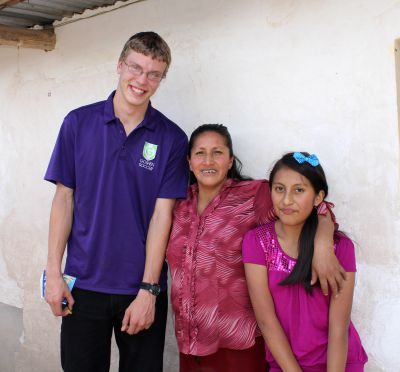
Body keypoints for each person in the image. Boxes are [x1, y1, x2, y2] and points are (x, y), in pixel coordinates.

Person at [44, 32, 188, 372]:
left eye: (154, 73)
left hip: (139, 290)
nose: (142, 80)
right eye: (135, 68)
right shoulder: (78, 123)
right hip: (83, 285)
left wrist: (149, 290)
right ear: (120, 65)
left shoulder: (172, 138)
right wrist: (53, 272)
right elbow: (63, 199)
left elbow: (161, 216)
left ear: (161, 78)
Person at [166, 125, 345, 372]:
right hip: (189, 343)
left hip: (239, 345)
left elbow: (316, 208)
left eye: (217, 152)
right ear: (189, 161)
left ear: (230, 160)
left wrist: (323, 245)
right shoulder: (177, 202)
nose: (208, 160)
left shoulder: (254, 195)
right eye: (200, 153)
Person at [243, 152, 368, 372]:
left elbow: (339, 327)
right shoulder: (257, 242)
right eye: (279, 188)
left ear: (318, 197)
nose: (286, 200)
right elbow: (266, 320)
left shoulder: (340, 248)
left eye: (298, 190)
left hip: (338, 363)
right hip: (285, 364)